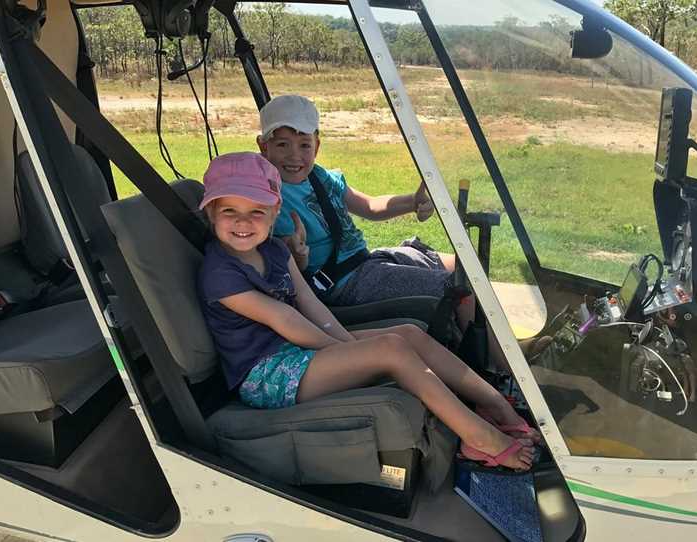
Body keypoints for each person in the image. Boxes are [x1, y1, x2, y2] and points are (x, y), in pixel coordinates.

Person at [196, 152, 539, 471]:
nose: (243, 222)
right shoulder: (220, 272)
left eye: (257, 211)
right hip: (266, 375)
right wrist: (346, 348)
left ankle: (495, 404)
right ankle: (480, 439)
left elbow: (309, 304)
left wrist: (345, 341)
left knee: (408, 334)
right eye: (229, 211)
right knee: (391, 349)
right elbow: (283, 319)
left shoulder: (274, 250)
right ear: (211, 213)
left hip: (295, 352)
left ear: (275, 213)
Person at [256, 94, 551, 364]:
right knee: (461, 284)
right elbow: (279, 262)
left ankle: (500, 344)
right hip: (342, 284)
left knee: (464, 265)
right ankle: (505, 364)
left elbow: (370, 206)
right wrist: (295, 254)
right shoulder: (264, 193)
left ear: (317, 145)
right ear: (263, 145)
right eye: (282, 144)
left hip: (368, 262)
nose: (295, 156)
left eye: (304, 145)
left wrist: (412, 201)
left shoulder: (321, 177)